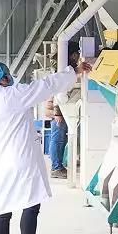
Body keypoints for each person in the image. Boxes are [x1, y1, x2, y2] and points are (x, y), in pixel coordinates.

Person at [0, 58, 92, 234]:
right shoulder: (13, 95)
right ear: (2, 79)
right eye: (7, 75)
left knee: (2, 206)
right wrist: (74, 71)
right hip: (20, 160)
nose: (10, 78)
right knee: (32, 201)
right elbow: (46, 85)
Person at [48, 41, 81, 179]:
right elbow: (59, 91)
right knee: (58, 139)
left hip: (62, 106)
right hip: (59, 108)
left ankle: (58, 165)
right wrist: (57, 112)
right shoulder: (63, 68)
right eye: (77, 54)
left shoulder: (65, 66)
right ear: (73, 55)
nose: (78, 56)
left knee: (61, 138)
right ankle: (56, 168)